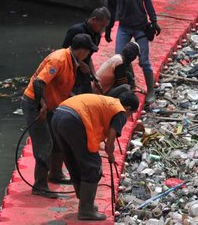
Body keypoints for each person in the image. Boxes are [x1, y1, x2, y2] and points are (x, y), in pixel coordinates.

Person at [21, 34, 98, 198]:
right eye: (88, 52)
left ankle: (55, 174)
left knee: (57, 138)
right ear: (83, 51)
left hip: (51, 104)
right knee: (45, 144)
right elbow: (38, 82)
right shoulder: (59, 60)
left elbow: (59, 85)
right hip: (36, 103)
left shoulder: (72, 61)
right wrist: (41, 105)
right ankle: (40, 186)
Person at [51, 92, 139, 220]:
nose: (128, 117)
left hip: (58, 114)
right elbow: (110, 141)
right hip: (73, 119)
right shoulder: (120, 111)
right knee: (92, 165)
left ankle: (86, 202)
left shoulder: (110, 102)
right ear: (128, 108)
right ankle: (86, 209)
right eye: (130, 114)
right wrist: (111, 156)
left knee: (72, 159)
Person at [105, 0, 160, 105]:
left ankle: (150, 91)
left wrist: (154, 21)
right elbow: (111, 7)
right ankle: (131, 85)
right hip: (123, 26)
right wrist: (109, 27)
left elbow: (147, 0)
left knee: (144, 60)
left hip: (140, 26)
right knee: (120, 59)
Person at [62, 7, 110, 94]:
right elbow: (64, 52)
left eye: (105, 27)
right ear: (94, 19)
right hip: (70, 72)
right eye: (101, 26)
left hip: (85, 74)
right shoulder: (76, 30)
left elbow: (89, 57)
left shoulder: (97, 35)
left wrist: (95, 76)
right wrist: (80, 63)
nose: (103, 30)